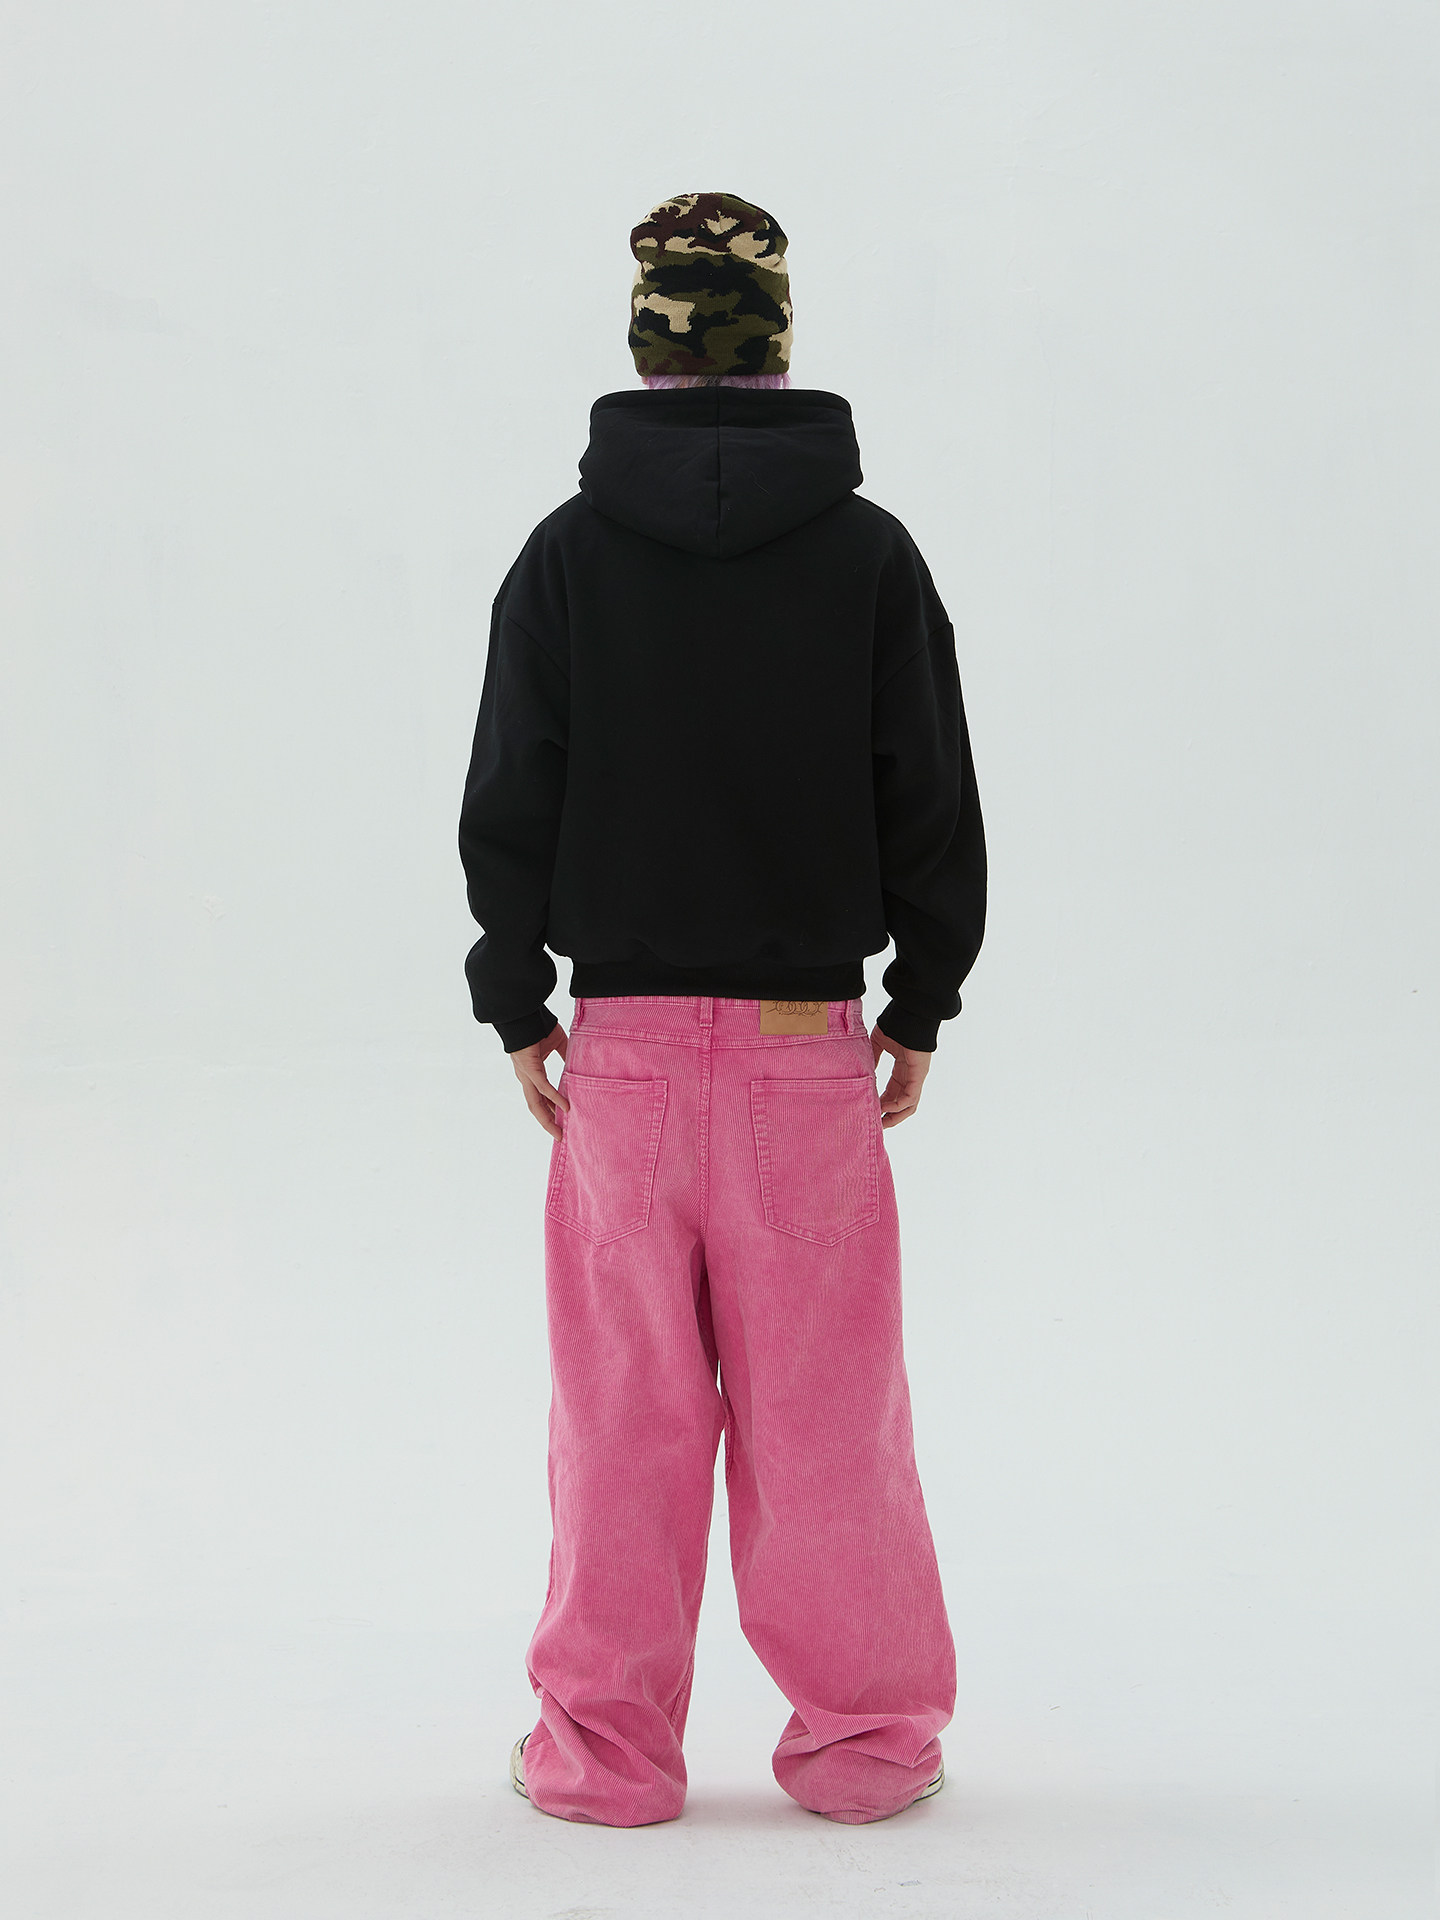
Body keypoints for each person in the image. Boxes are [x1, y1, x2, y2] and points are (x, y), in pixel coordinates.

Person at [458, 191, 986, 1828]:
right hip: (803, 1058)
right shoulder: (868, 554)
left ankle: (604, 1756)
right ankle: (867, 1749)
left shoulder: (564, 557)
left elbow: (511, 789)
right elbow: (928, 791)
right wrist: (923, 995)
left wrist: (514, 994)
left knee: (622, 1419)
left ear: (645, 346)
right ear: (779, 345)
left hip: (616, 1058)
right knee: (827, 1420)